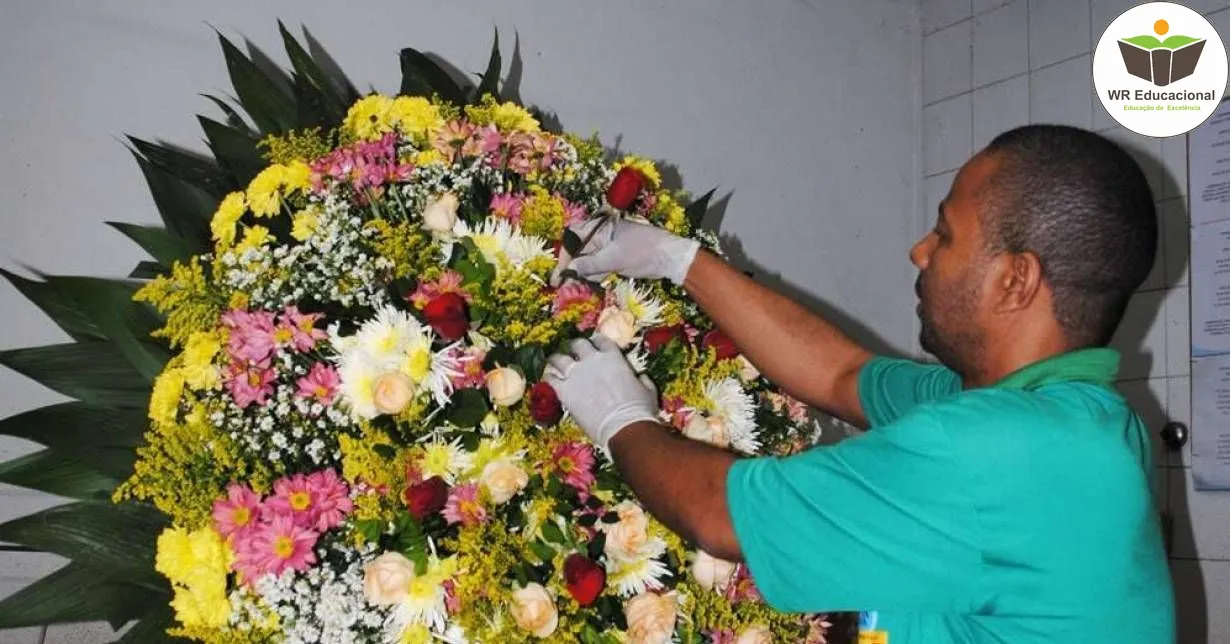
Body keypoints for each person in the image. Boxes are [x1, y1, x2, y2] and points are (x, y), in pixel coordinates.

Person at [544, 124, 1177, 643]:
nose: (920, 251)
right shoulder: (1067, 418)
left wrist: (618, 417)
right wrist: (677, 260)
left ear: (1016, 280)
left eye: (947, 235)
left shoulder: (1003, 451)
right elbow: (841, 373)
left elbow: (720, 514)